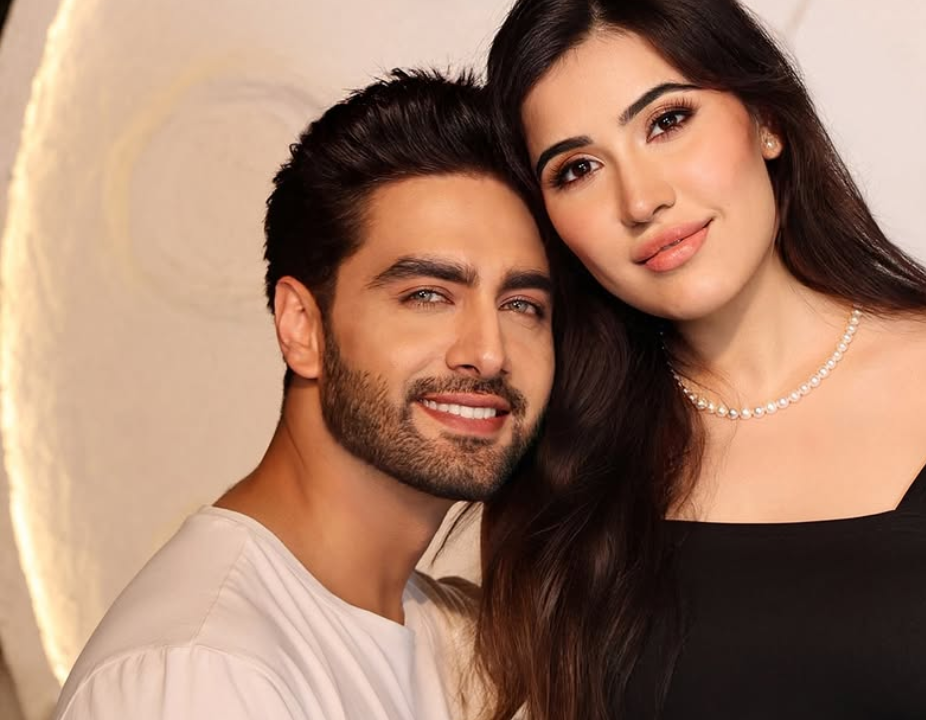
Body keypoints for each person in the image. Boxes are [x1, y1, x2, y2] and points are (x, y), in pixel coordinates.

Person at [473, 1, 926, 718]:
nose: (642, 199)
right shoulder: (561, 455)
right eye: (578, 169)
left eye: (668, 121)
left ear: (766, 121)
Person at [52, 69, 554, 720]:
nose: (488, 352)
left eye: (522, 304)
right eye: (428, 295)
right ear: (301, 327)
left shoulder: (456, 635)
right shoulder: (201, 673)